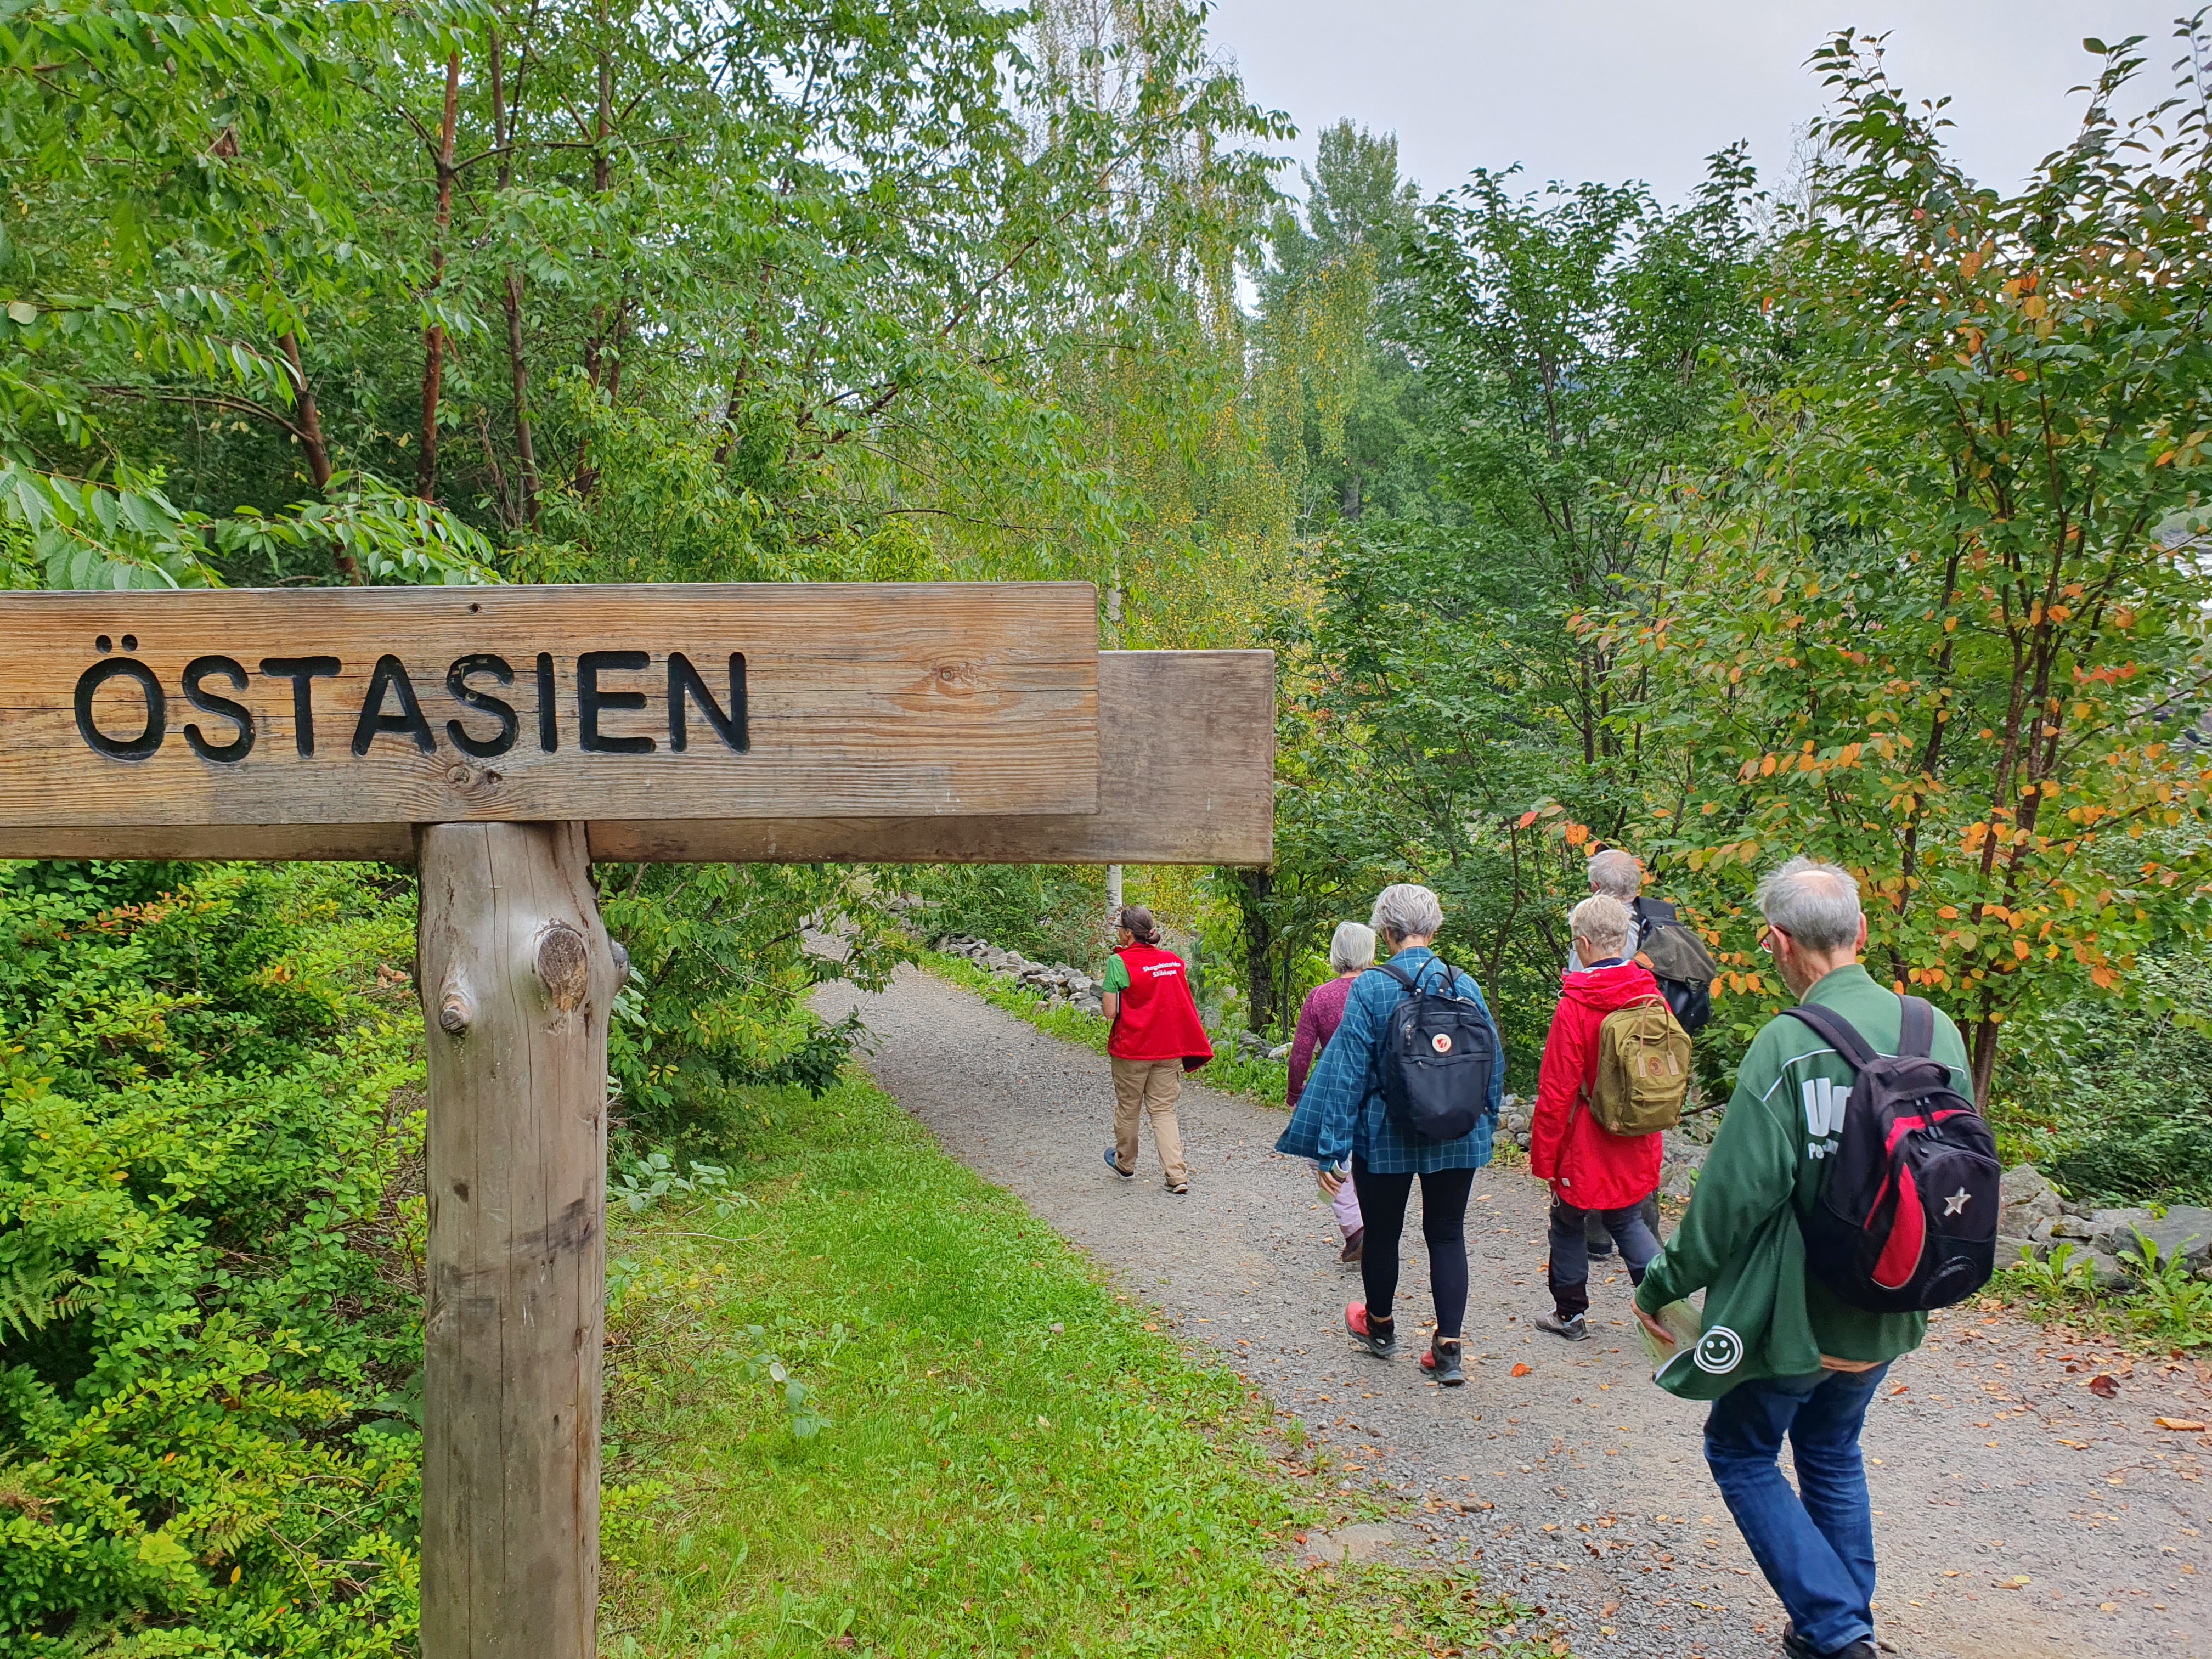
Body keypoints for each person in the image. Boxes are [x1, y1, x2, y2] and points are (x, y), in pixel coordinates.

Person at [1633, 857, 1971, 1659]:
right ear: (1860, 933)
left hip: (1797, 1312)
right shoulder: (1937, 1030)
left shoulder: (1788, 1044)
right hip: (1896, 1295)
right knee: (1830, 1448)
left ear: (1778, 943)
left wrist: (1664, 1282)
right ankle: (1838, 1628)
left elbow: (1734, 1195)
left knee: (1740, 1451)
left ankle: (1836, 1628)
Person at [1274, 884, 1503, 1387]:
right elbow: (1494, 1062)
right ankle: (1449, 1349)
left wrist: (1332, 1151)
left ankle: (1379, 1328)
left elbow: (1347, 1075)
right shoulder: (1464, 983)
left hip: (1385, 1132)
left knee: (1383, 1233)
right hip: (1457, 1133)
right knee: (1447, 1234)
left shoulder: (1371, 989)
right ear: (1435, 927)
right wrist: (1484, 1119)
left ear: (1387, 930)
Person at [1528, 894, 1665, 1341]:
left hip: (1587, 1137)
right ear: (1625, 940)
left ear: (1583, 943)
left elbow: (1556, 1091)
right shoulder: (1651, 993)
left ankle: (1570, 1315)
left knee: (1568, 1221)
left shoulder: (1575, 1004)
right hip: (1638, 1130)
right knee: (1628, 1219)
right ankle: (1664, 1306)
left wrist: (1545, 1159)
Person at [1100, 905, 1212, 1194]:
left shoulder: (1119, 963)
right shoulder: (1174, 962)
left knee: (1129, 1108)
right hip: (1169, 1049)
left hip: (1132, 1050)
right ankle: (1177, 1175)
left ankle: (1125, 1163)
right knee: (1163, 1111)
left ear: (1127, 934)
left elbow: (1110, 1012)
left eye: (1120, 929)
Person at [1286, 921, 1377, 1263]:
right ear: (1370, 952)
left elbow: (1301, 1053)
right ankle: (1374, 1227)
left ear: (1335, 954)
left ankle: (1356, 1228)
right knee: (1371, 1157)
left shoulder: (1321, 996)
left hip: (1335, 1087)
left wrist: (1296, 1094)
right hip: (1379, 1088)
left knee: (1324, 1157)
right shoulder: (1383, 988)